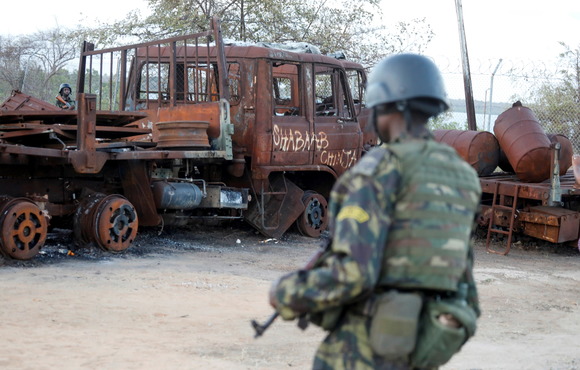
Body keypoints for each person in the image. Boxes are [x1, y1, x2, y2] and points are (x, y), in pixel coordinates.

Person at [268, 53, 482, 369]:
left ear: (385, 106)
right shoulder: (462, 176)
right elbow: (462, 274)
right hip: (422, 344)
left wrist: (287, 292)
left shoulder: (375, 171)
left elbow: (354, 275)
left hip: (363, 350)